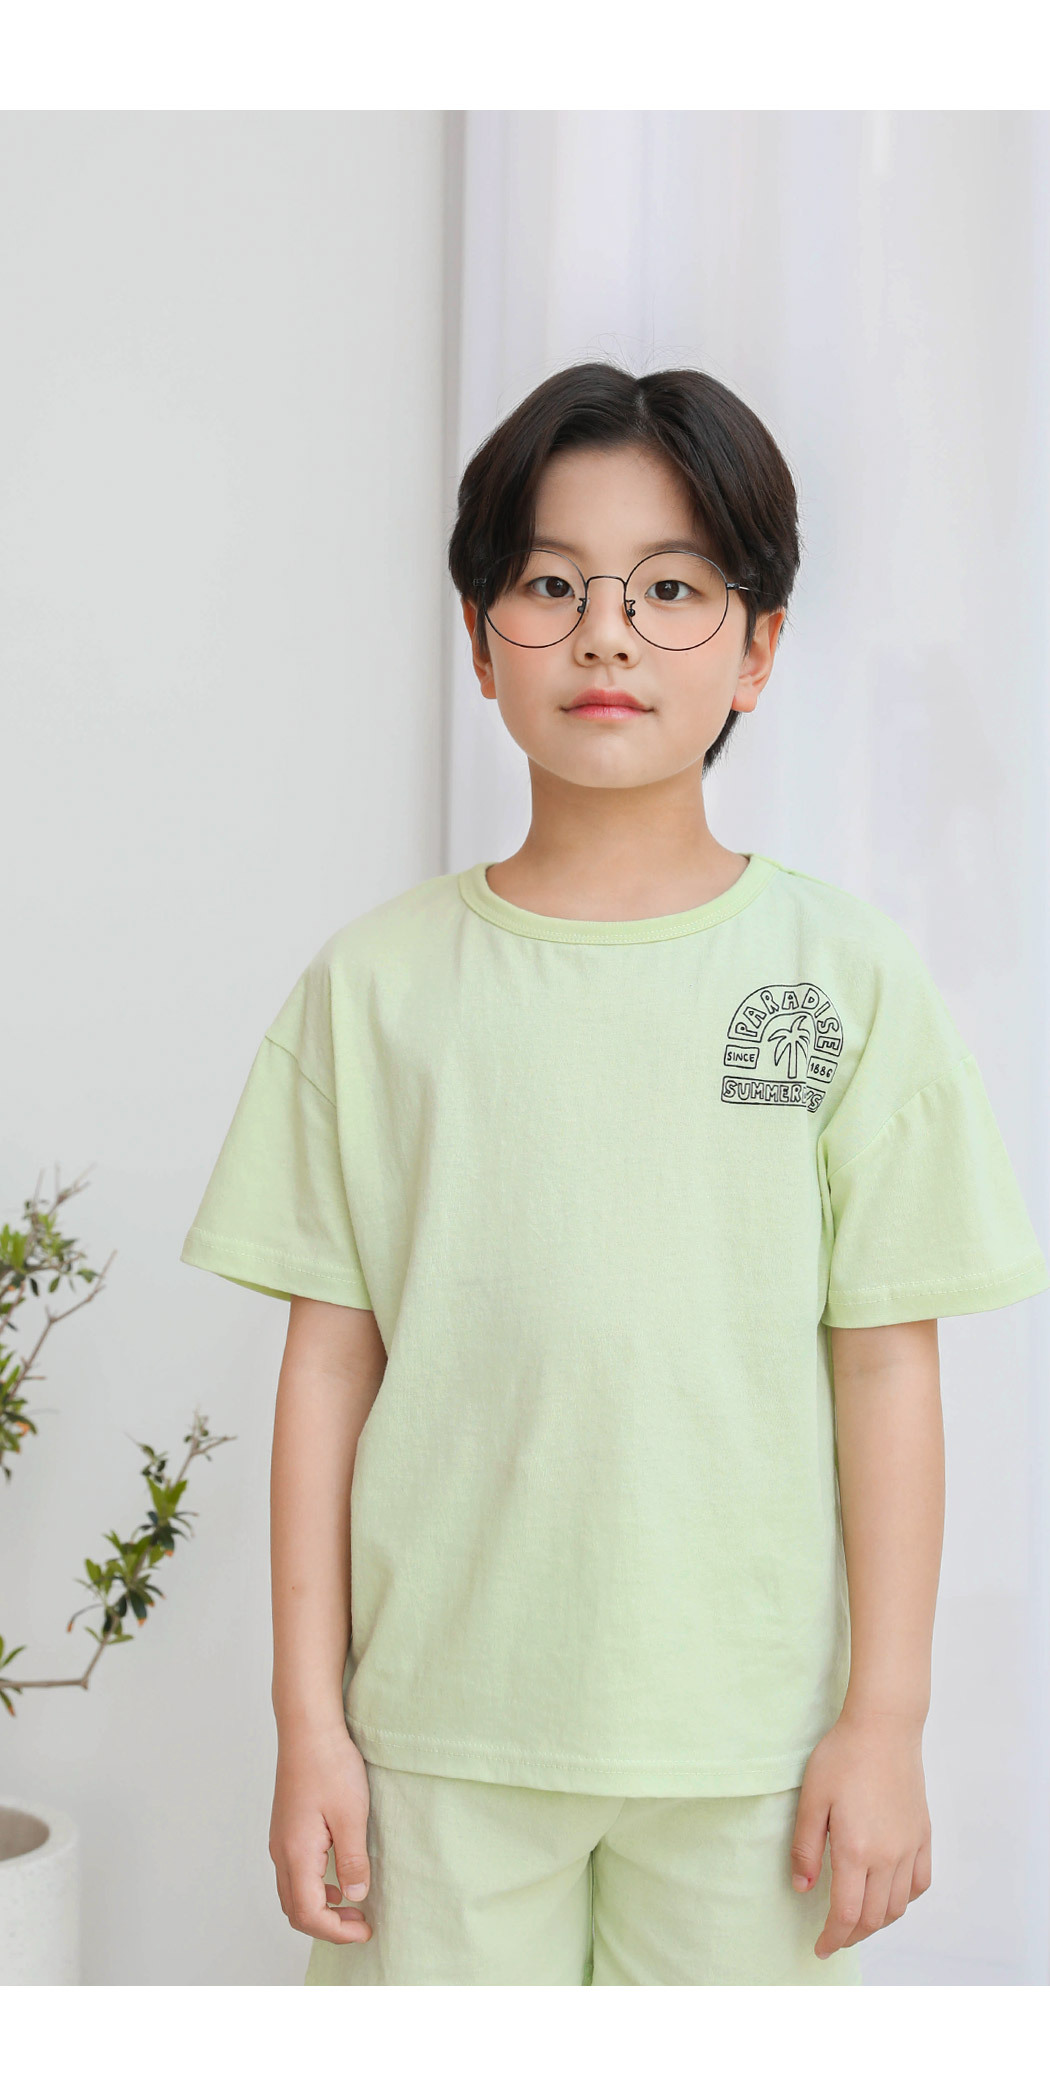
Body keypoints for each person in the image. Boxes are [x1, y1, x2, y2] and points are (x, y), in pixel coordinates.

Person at [180, 362, 1049, 1986]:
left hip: (750, 1746)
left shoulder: (843, 978)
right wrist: (309, 1722)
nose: (605, 635)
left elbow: (884, 1364)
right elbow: (327, 1365)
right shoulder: (374, 988)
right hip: (437, 1732)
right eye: (550, 586)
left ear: (757, 645)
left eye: (669, 589)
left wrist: (884, 1716)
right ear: (476, 635)